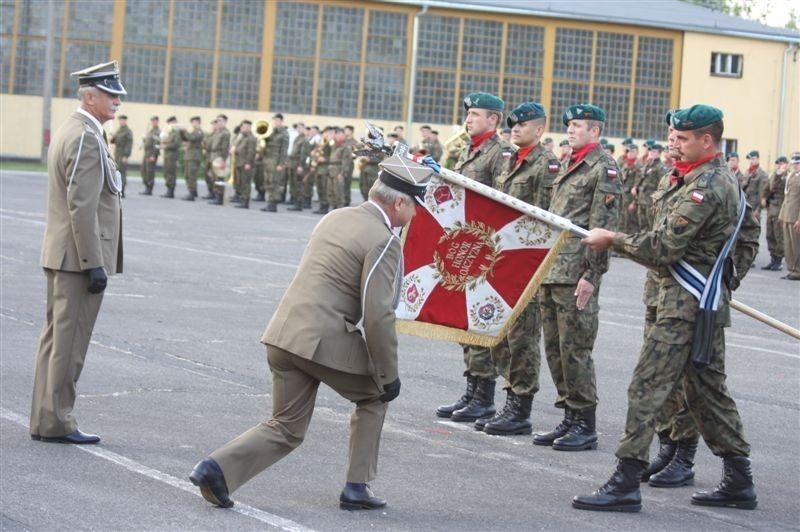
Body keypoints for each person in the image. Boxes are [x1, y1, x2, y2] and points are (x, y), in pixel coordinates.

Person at [189, 155, 432, 510]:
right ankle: (356, 487)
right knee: (376, 396)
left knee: (287, 426)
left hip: (283, 334)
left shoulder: (335, 216)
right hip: (321, 342)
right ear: (398, 202)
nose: (414, 216)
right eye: (414, 208)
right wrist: (387, 374)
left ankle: (216, 468)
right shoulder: (384, 240)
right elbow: (378, 315)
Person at [574, 104, 760, 512]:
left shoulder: (708, 185)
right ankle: (739, 480)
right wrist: (723, 283)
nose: (675, 143)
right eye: (673, 137)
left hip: (686, 307)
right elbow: (747, 234)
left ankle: (625, 482)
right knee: (707, 393)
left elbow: (663, 247)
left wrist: (614, 240)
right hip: (685, 302)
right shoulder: (693, 177)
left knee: (647, 387)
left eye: (684, 138)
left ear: (707, 140)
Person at [30, 61, 125, 445]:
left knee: (55, 341)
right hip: (76, 260)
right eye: (110, 93)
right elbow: (81, 206)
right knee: (68, 345)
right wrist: (94, 264)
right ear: (90, 96)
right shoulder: (86, 136)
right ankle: (57, 421)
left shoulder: (77, 130)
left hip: (63, 255)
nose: (117, 100)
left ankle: (45, 417)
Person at [533, 104, 620, 452]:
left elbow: (604, 227)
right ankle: (568, 415)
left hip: (576, 274)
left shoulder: (604, 169)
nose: (570, 130)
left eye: (578, 125)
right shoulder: (569, 162)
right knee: (555, 349)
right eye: (568, 124)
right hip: (553, 268)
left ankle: (585, 424)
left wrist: (592, 275)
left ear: (595, 132)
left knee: (576, 350)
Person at [477, 102, 560, 436]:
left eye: (522, 125)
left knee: (522, 338)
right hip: (503, 259)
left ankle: (520, 407)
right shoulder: (510, 160)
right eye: (512, 125)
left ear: (539, 130)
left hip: (528, 261)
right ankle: (509, 397)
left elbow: (549, 219)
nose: (515, 129)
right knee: (501, 335)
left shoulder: (547, 165)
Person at [436, 92, 513, 423]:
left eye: (475, 115)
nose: (468, 120)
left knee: (481, 325)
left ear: (493, 120)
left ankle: (484, 396)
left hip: (484, 249)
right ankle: (471, 390)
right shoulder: (469, 149)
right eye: (467, 115)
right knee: (466, 324)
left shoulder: (500, 154)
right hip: (464, 245)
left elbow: (500, 201)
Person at [761, 156, 789, 270]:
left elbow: (780, 187)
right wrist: (764, 197)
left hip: (780, 207)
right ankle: (773, 258)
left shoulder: (786, 177)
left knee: (778, 235)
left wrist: (780, 174)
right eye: (777, 164)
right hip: (771, 207)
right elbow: (767, 187)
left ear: (786, 164)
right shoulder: (774, 175)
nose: (779, 166)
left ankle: (778, 260)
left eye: (781, 163)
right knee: (770, 234)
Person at [633, 144, 665, 231]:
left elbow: (662, 186)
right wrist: (635, 187)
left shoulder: (660, 167)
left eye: (654, 151)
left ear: (659, 153)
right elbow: (640, 178)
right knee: (642, 225)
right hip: (642, 200)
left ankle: (649, 244)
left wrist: (656, 202)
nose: (651, 153)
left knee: (651, 226)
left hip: (651, 202)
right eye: (650, 151)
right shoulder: (647, 165)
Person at [262, 113, 290, 212]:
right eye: (274, 120)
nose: (275, 122)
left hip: (276, 161)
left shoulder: (284, 134)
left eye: (277, 120)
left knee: (275, 183)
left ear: (281, 121)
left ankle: (273, 203)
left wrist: (281, 164)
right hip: (268, 160)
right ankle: (269, 201)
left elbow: (284, 150)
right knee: (268, 182)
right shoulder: (272, 132)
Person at [779, 154, 800, 280]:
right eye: (794, 163)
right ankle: (791, 268)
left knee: (796, 244)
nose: (795, 166)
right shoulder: (791, 176)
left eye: (797, 163)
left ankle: (798, 270)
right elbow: (786, 197)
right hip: (787, 214)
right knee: (788, 244)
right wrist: (782, 215)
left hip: (795, 216)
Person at [231, 120, 257, 209]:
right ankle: (242, 199)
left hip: (245, 164)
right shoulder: (242, 137)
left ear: (250, 128)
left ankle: (245, 202)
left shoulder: (251, 138)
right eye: (243, 127)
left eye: (246, 127)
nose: (243, 128)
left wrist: (248, 163)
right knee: (241, 182)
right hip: (239, 162)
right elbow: (238, 148)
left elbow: (251, 152)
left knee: (246, 183)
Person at [287, 122, 311, 211]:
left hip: (298, 164)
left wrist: (301, 165)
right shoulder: (297, 138)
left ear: (304, 129)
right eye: (298, 127)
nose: (299, 129)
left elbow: (303, 154)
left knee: (298, 184)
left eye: (301, 127)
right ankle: (295, 201)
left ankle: (299, 203)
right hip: (292, 163)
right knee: (293, 184)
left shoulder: (304, 140)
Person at [181, 116, 204, 201]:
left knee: (191, 175)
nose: (193, 124)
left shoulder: (199, 132)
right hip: (189, 156)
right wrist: (181, 132)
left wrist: (185, 131)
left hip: (194, 156)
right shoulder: (193, 131)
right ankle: (193, 191)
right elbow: (186, 138)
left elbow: (191, 138)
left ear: (198, 122)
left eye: (194, 122)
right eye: (192, 122)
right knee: (187, 174)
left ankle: (191, 193)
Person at [620, 143, 642, 233]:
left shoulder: (639, 166)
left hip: (631, 198)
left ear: (637, 153)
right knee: (622, 221)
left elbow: (638, 186)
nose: (630, 153)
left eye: (633, 151)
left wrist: (634, 202)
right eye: (628, 151)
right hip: (623, 197)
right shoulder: (625, 165)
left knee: (632, 224)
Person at [110, 114, 132, 197]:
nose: (121, 122)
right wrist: (112, 137)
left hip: (123, 154)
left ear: (125, 121)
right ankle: (118, 189)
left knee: (122, 172)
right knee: (117, 172)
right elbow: (113, 141)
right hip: (117, 153)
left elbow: (129, 144)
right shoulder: (119, 130)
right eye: (120, 120)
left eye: (122, 120)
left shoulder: (127, 131)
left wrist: (126, 156)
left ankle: (122, 190)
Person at [743, 150, 768, 220]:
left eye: (753, 159)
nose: (751, 161)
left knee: (753, 229)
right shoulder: (747, 172)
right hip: (745, 205)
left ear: (758, 159)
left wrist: (758, 210)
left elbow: (762, 194)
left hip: (754, 207)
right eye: (750, 159)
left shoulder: (761, 174)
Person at [160, 116, 180, 198]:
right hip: (167, 155)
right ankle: (168, 189)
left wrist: (166, 146)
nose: (170, 125)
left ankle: (171, 191)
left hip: (172, 156)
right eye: (169, 123)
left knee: (171, 173)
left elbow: (176, 144)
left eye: (171, 123)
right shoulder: (169, 132)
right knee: (166, 173)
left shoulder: (176, 133)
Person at [140, 115, 159, 195]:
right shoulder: (150, 131)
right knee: (143, 171)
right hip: (146, 153)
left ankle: (149, 189)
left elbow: (157, 145)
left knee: (150, 172)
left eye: (154, 121)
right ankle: (146, 186)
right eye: (152, 121)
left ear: (157, 122)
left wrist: (154, 155)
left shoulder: (157, 132)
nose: (152, 122)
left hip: (151, 153)